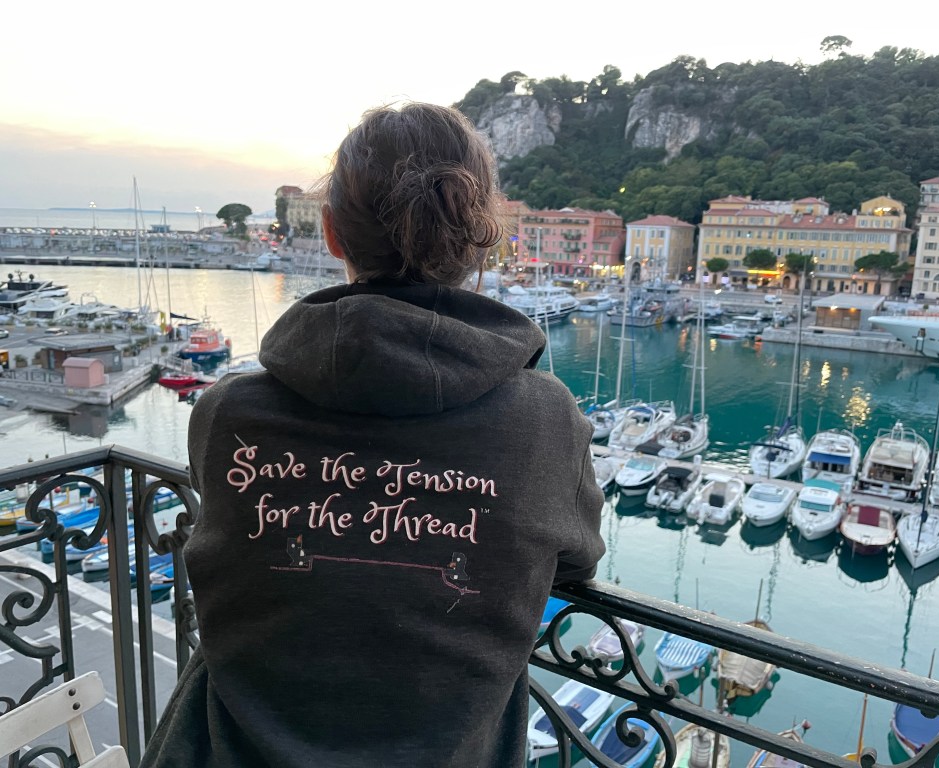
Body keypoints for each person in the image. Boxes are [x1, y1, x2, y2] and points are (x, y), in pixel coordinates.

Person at [140, 102, 606, 767]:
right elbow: (579, 559)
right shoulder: (545, 420)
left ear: (332, 233)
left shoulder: (226, 413)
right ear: (482, 238)